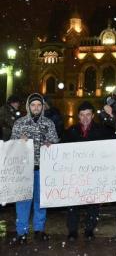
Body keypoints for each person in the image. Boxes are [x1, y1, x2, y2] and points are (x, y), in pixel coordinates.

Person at [10, 93, 59, 244]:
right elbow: (11, 144)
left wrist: (50, 143)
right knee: (23, 200)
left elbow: (55, 141)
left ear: (43, 106)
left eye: (39, 105)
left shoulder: (49, 123)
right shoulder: (20, 123)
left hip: (42, 169)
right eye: (33, 105)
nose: (36, 108)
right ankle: (21, 233)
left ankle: (39, 230)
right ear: (28, 106)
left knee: (40, 200)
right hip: (24, 170)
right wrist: (19, 141)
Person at [63, 101, 114, 241]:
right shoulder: (71, 131)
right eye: (82, 115)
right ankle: (72, 231)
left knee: (93, 202)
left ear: (92, 116)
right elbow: (61, 150)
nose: (85, 118)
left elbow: (112, 143)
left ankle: (89, 229)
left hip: (94, 174)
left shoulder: (102, 131)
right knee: (73, 202)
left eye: (88, 115)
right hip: (76, 175)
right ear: (78, 116)